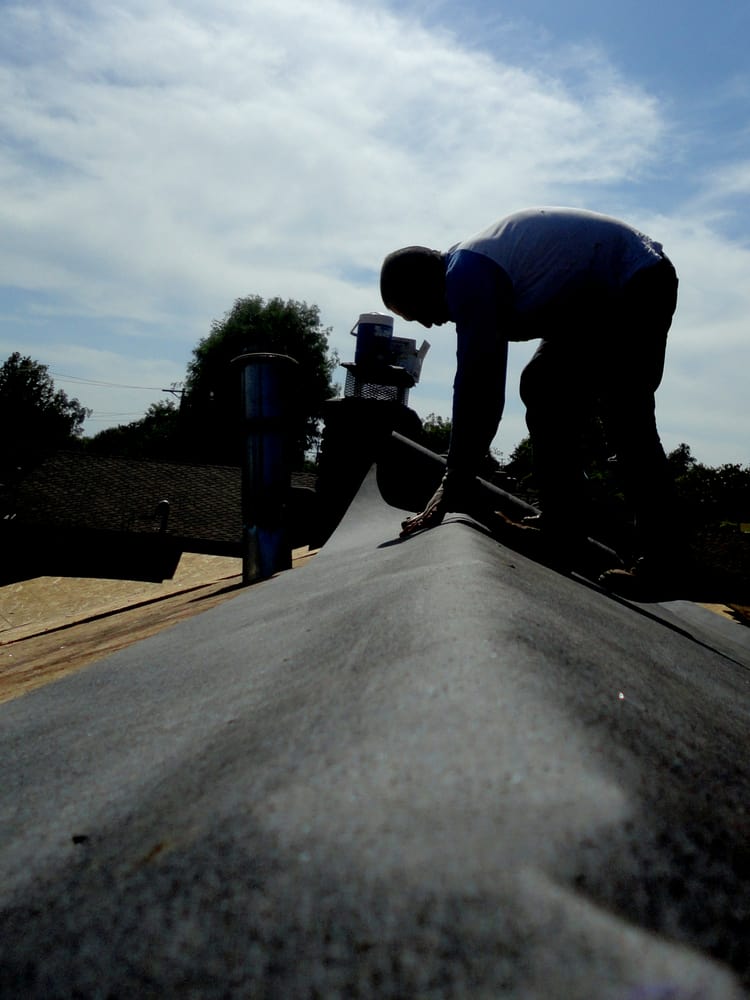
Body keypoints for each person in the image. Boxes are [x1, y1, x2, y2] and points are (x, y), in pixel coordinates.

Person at [379, 206, 682, 593]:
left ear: (424, 283)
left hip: (636, 281)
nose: (427, 323)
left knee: (625, 413)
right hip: (594, 301)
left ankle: (665, 563)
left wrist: (455, 477)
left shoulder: (467, 275)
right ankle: (563, 527)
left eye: (415, 311)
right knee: (543, 385)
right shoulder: (470, 267)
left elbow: (479, 383)